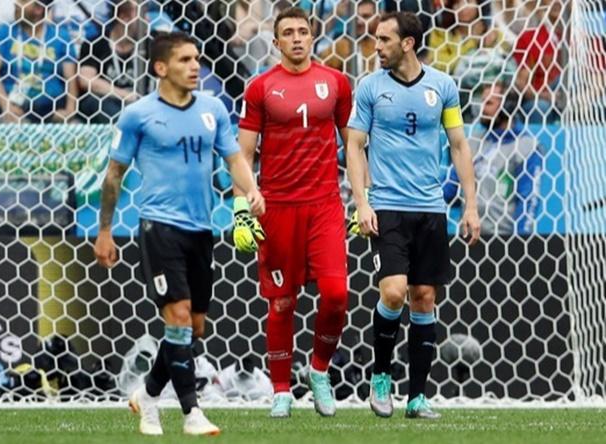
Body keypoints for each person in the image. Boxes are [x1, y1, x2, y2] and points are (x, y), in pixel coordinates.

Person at [93, 31, 264, 436]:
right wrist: (105, 230)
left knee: (193, 326)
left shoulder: (212, 109)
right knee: (180, 317)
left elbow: (234, 158)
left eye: (197, 59)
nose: (195, 67)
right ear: (160, 68)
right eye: (186, 60)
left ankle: (148, 394)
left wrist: (252, 189)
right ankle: (191, 412)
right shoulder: (138, 115)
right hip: (159, 226)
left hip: (202, 228)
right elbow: (113, 177)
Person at [346, 11, 480, 419]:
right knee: (393, 292)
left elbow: (458, 144)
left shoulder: (443, 87)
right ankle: (381, 376)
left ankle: (417, 397)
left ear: (408, 43)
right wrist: (362, 201)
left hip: (431, 209)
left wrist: (470, 205)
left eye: (384, 39)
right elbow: (354, 144)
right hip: (387, 206)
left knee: (424, 299)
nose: (377, 46)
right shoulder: (369, 87)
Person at [233, 6, 352, 418]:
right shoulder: (260, 88)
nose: (298, 38)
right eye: (289, 32)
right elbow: (242, 155)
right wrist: (241, 208)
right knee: (282, 303)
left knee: (337, 295)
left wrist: (363, 196)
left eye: (304, 31)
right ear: (277, 40)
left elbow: (352, 145)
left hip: (324, 205)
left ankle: (319, 370)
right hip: (277, 207)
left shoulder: (336, 83)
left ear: (312, 36)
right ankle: (281, 389)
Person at [444, 82, 543, 235]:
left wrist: (521, 243)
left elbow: (528, 199)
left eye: (489, 103)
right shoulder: (472, 143)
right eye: (482, 102)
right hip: (468, 235)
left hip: (503, 239)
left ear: (508, 106)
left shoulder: (527, 147)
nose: (483, 109)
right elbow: (450, 188)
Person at [0, 0, 78, 123]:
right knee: (11, 128)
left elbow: (71, 77)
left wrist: (70, 110)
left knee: (76, 131)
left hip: (52, 108)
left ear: (38, 9)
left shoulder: (61, 36)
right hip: (15, 106)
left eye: (23, 1)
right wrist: (6, 106)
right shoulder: (4, 32)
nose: (16, 3)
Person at [78, 0, 149, 123]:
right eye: (142, 15)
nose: (147, 21)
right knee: (96, 101)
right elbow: (86, 80)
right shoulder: (96, 43)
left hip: (139, 105)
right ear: (124, 17)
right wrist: (124, 95)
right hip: (107, 101)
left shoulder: (147, 45)